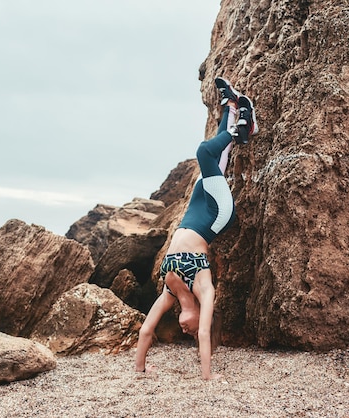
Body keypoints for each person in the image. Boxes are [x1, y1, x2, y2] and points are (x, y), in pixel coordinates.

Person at [134, 77, 258, 380]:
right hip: (217, 216)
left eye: (184, 330)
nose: (186, 330)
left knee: (212, 163)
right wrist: (207, 376)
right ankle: (243, 128)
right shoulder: (203, 288)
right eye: (190, 330)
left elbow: (146, 329)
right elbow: (204, 334)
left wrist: (139, 368)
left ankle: (231, 108)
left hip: (195, 212)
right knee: (204, 153)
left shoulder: (170, 293)